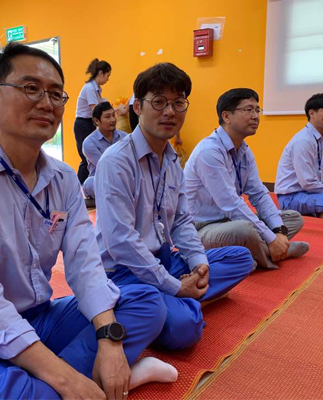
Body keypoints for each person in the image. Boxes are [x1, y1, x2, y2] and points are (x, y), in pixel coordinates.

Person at [0, 42, 178, 400]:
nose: (46, 103)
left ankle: (48, 382)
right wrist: (65, 379)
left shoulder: (63, 179)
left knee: (147, 303)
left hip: (42, 317)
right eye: (31, 88)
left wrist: (107, 339)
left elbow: (86, 266)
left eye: (56, 94)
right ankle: (97, 380)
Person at [95, 62, 255, 351]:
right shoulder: (116, 161)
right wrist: (175, 285)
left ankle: (176, 300)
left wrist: (199, 264)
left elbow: (181, 221)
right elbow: (121, 241)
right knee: (185, 331)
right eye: (158, 102)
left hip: (166, 259)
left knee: (241, 258)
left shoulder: (172, 160)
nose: (169, 111)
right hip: (123, 270)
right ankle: (175, 302)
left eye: (178, 103)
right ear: (136, 107)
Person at [184, 88, 309, 270]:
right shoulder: (209, 152)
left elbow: (259, 193)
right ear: (226, 116)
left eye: (257, 110)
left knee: (293, 218)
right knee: (244, 229)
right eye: (248, 110)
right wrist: (272, 238)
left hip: (229, 223)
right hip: (200, 229)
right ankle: (269, 256)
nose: (256, 116)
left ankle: (252, 254)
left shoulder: (243, 150)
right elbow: (231, 204)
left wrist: (278, 231)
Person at [81, 101, 128, 203]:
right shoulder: (89, 142)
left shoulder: (125, 137)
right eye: (107, 117)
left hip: (123, 179)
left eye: (113, 115)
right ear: (97, 121)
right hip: (102, 180)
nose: (112, 120)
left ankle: (118, 195)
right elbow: (107, 166)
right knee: (89, 183)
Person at [75, 58, 111, 183]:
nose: (107, 79)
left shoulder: (96, 89)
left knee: (90, 160)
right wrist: (114, 110)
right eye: (107, 75)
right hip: (83, 124)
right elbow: (96, 110)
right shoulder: (90, 88)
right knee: (86, 159)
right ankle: (80, 191)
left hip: (88, 123)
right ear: (101, 73)